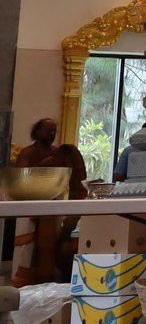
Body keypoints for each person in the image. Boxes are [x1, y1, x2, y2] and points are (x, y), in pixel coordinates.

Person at [11, 118, 90, 286]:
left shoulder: (58, 152)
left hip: (53, 206)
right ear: (37, 132)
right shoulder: (27, 152)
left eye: (54, 131)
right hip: (29, 206)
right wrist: (43, 165)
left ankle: (47, 278)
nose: (52, 134)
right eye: (48, 130)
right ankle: (22, 283)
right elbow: (19, 181)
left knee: (51, 245)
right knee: (27, 248)